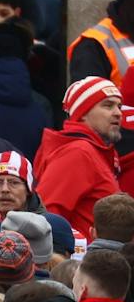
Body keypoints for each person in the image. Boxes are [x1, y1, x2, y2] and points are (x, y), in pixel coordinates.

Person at [34, 77, 122, 241]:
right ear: (83, 113)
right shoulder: (78, 152)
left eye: (119, 106)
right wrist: (61, 259)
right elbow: (47, 213)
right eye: (108, 105)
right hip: (83, 261)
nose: (118, 112)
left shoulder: (95, 151)